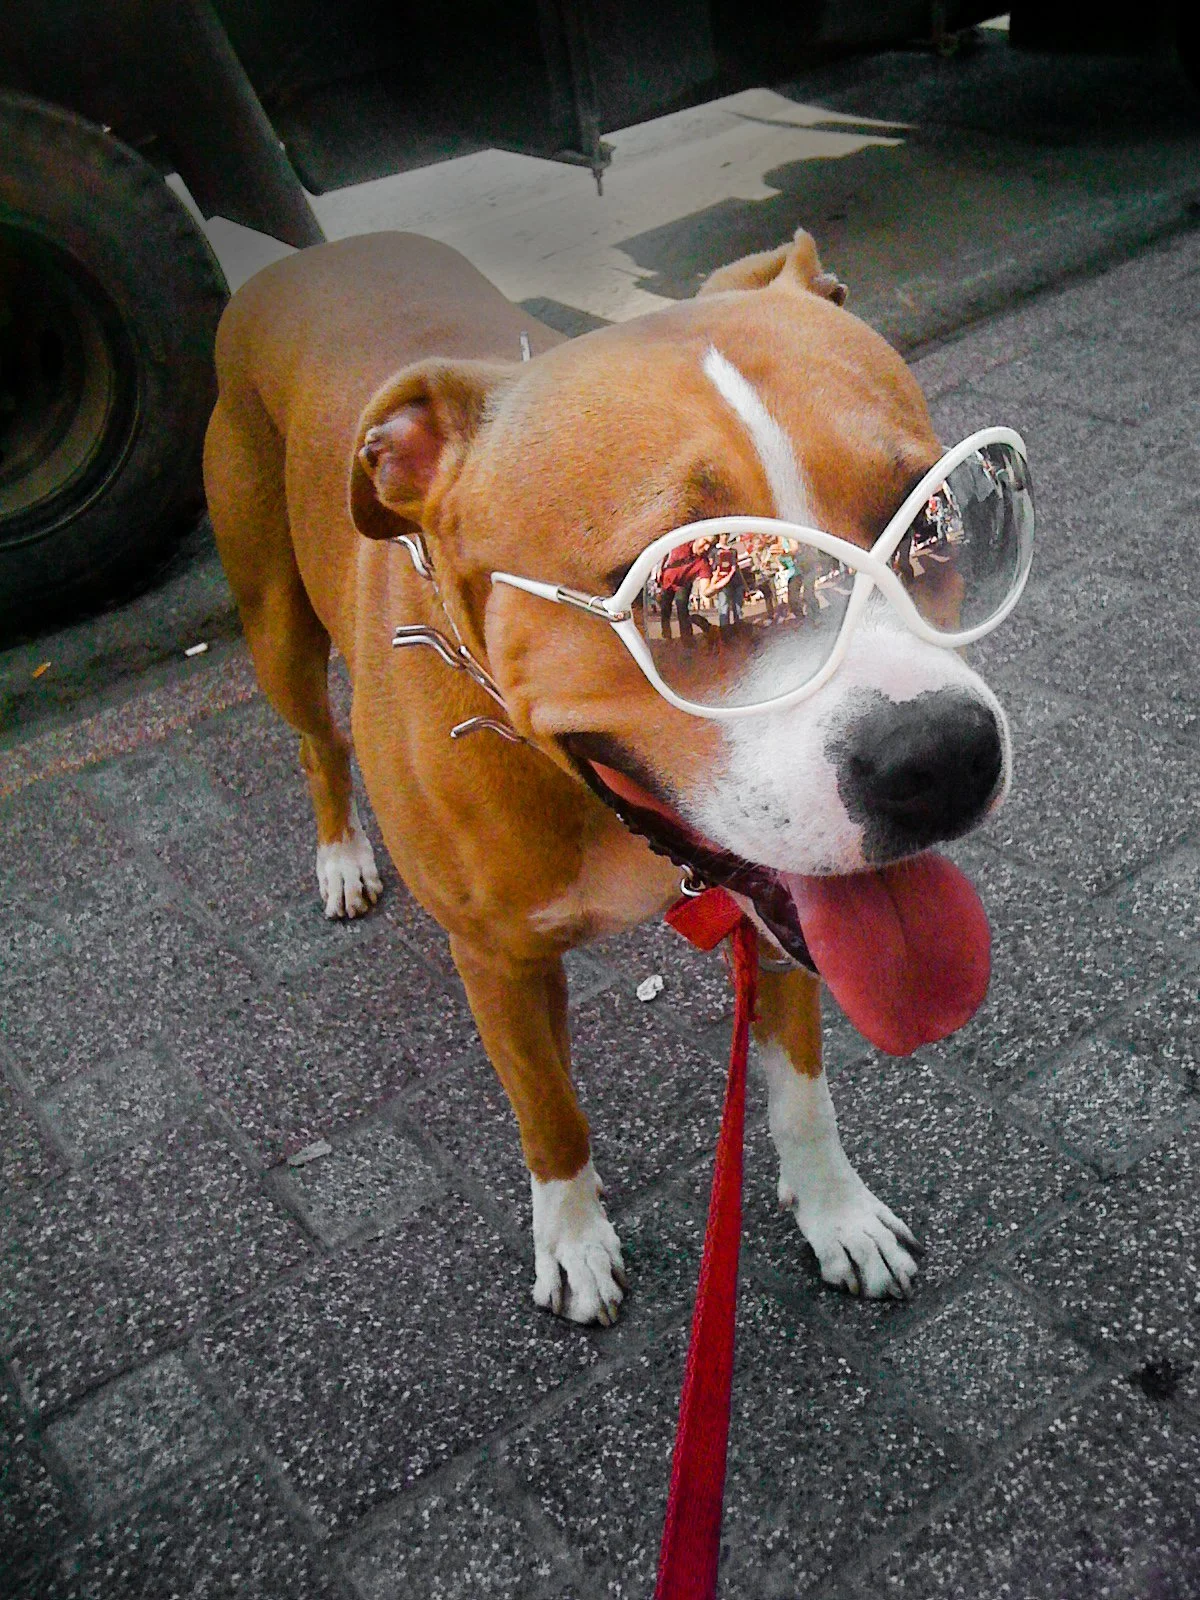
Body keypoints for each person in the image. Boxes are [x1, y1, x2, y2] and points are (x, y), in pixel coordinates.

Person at [657, 536, 714, 640]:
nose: (706, 548)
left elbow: (705, 589)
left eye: (710, 545)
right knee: (665, 610)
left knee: (682, 609)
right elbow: (664, 551)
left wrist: (715, 587)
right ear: (697, 537)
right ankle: (666, 637)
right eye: (705, 542)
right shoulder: (681, 543)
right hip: (667, 582)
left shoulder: (703, 562)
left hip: (683, 585)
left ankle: (687, 640)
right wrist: (659, 568)